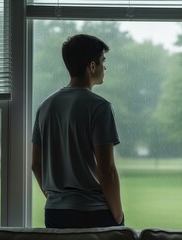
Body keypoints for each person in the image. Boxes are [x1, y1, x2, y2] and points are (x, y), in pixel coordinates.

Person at [31, 34, 124, 228]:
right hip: (93, 213)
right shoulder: (100, 108)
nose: (104, 67)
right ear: (92, 66)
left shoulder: (45, 107)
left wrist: (55, 198)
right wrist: (118, 215)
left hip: (54, 213)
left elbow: (36, 164)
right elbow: (106, 170)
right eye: (102, 61)